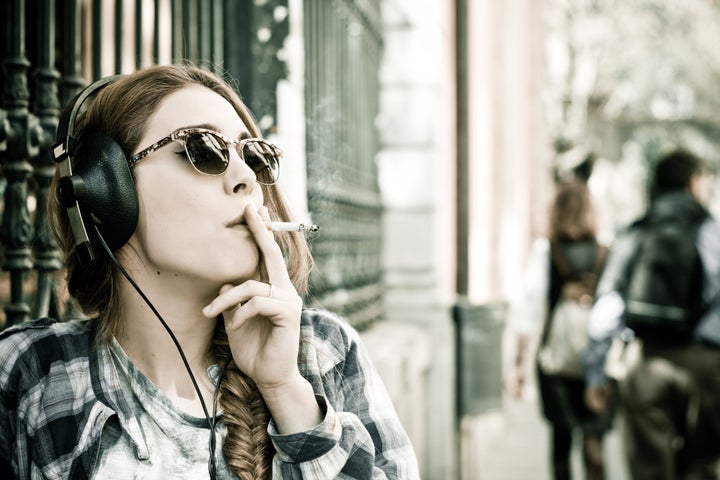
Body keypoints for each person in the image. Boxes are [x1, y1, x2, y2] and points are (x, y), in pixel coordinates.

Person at [0, 64, 420, 479]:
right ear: (108, 188)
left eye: (254, 156)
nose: (245, 179)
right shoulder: (29, 374)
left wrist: (286, 394)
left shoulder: (322, 353)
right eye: (204, 149)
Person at [584, 148, 720, 479]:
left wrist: (596, 375)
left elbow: (605, 312)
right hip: (706, 366)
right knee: (702, 464)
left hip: (644, 360)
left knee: (649, 467)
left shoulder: (637, 231)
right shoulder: (711, 231)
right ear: (693, 182)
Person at [506, 180, 611, 480]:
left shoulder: (546, 251)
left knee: (561, 444)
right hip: (597, 363)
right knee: (594, 442)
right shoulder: (605, 253)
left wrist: (518, 364)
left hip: (556, 361)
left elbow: (529, 310)